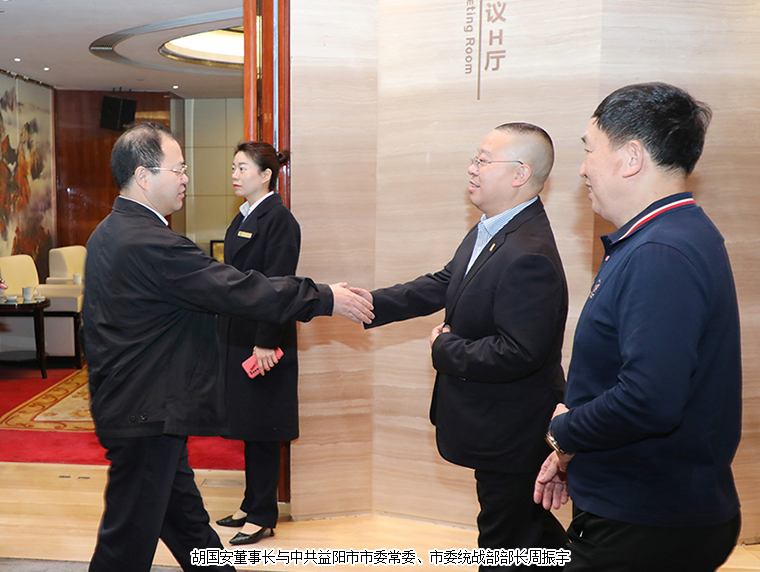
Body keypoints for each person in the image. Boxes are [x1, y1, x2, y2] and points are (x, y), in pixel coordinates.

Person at [83, 122, 374, 572]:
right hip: (145, 412)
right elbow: (237, 288)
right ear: (143, 176)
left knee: (190, 529)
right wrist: (324, 297)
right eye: (178, 169)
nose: (186, 178)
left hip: (140, 406)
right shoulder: (150, 242)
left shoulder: (109, 231)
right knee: (125, 546)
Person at [534, 82, 742, 572]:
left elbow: (649, 399)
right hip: (646, 507)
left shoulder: (660, 252)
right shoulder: (667, 235)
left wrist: (564, 431)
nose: (582, 167)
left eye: (589, 149)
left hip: (647, 521)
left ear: (631, 158)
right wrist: (575, 452)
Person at [354, 123, 569, 570]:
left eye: (482, 161)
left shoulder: (529, 253)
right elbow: (445, 282)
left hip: (512, 432)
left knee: (506, 540)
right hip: (498, 428)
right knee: (529, 533)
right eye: (475, 159)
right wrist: (367, 304)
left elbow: (519, 352)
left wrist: (444, 348)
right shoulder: (494, 229)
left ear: (519, 173)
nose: (471, 169)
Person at [214, 142, 300, 545]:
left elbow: (279, 287)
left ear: (266, 175)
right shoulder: (243, 216)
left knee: (264, 426)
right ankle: (250, 503)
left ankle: (263, 515)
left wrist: (266, 341)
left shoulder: (279, 219)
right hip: (241, 333)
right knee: (249, 423)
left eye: (243, 168)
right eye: (233, 167)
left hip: (265, 339)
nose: (235, 174)